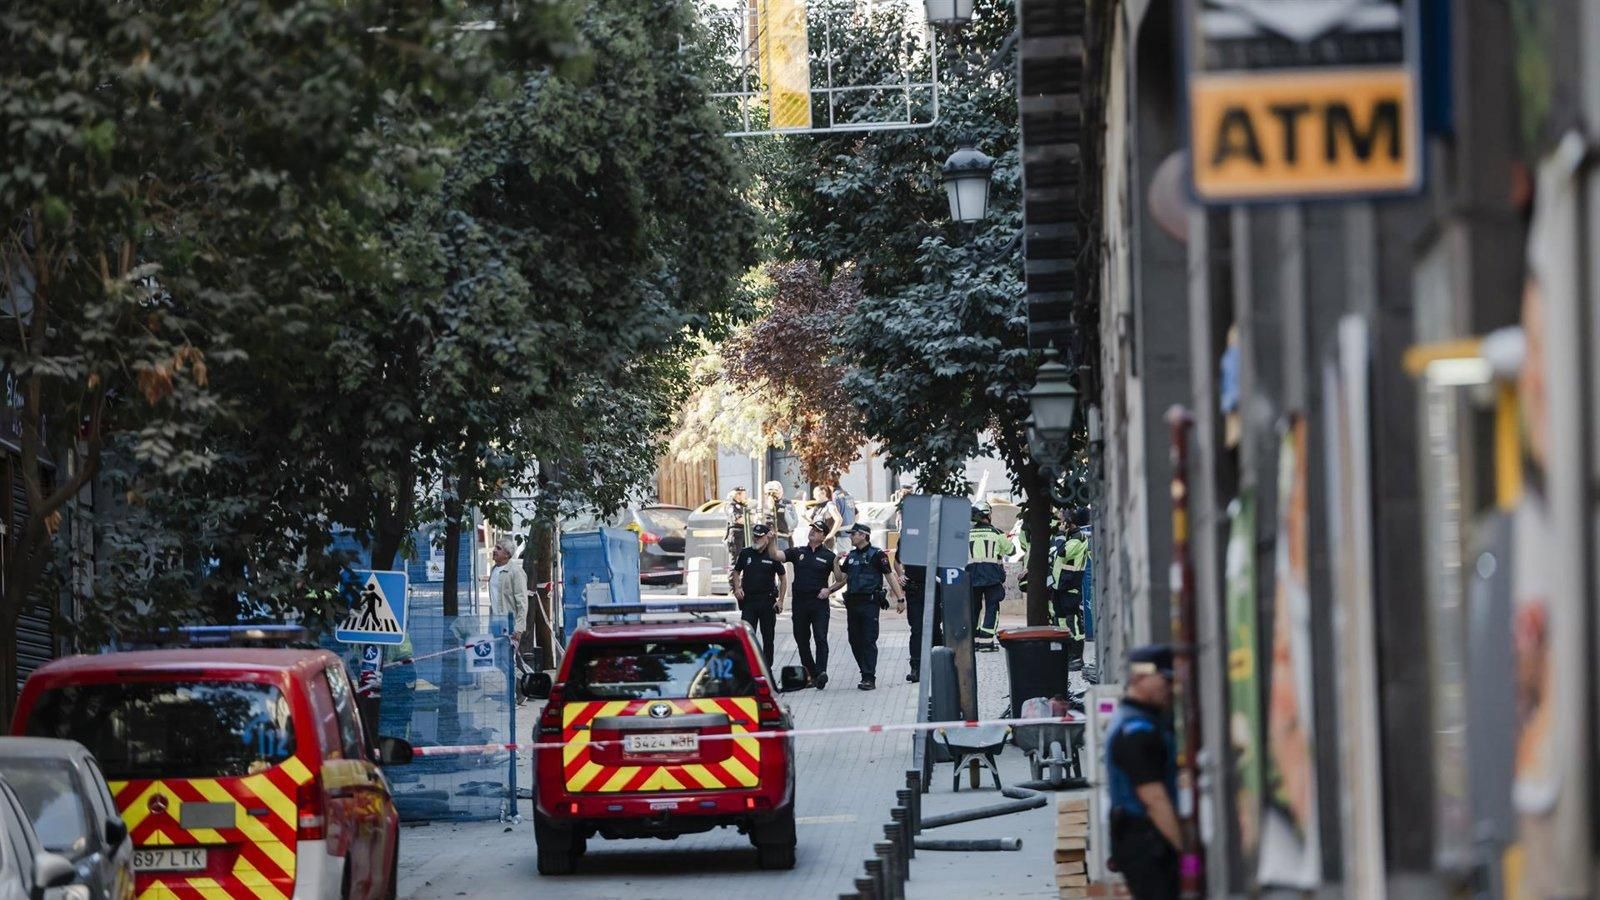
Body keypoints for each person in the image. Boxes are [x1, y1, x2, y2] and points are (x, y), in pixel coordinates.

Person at [1104, 644, 1180, 900]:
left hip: (1143, 842)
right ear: (1140, 677)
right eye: (1165, 680)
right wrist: (1187, 852)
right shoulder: (1136, 730)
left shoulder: (1137, 721)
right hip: (1147, 844)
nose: (1170, 688)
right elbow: (1154, 799)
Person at [828, 523, 904, 690]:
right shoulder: (852, 556)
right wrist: (835, 564)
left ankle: (869, 677)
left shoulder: (877, 555)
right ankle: (864, 670)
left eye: (853, 534)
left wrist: (900, 598)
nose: (851, 537)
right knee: (854, 640)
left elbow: (890, 576)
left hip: (870, 603)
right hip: (853, 603)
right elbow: (842, 578)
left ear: (863, 535)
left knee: (868, 640)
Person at [769, 519, 837, 689]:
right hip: (800, 603)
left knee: (820, 637)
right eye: (812, 529)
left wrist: (829, 590)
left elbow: (842, 579)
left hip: (818, 603)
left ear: (823, 536)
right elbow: (775, 556)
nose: (812, 531)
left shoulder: (829, 556)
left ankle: (821, 672)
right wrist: (771, 541)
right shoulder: (798, 551)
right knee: (801, 640)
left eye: (817, 530)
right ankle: (813, 675)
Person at [732, 524, 786, 670]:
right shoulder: (746, 553)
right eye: (754, 535)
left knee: (768, 638)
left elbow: (783, 578)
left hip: (767, 601)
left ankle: (767, 668)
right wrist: (737, 588)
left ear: (766, 538)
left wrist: (781, 600)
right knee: (747, 636)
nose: (756, 538)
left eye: (759, 536)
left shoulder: (772, 555)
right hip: (749, 602)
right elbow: (736, 572)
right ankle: (747, 667)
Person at [967, 502, 1014, 651]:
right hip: (992, 576)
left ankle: (973, 642)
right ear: (987, 515)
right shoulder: (997, 533)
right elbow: (1011, 551)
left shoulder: (966, 533)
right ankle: (986, 642)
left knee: (974, 609)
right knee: (992, 608)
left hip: (971, 576)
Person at [488, 537, 530, 701]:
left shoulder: (515, 572)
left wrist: (519, 627)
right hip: (497, 622)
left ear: (507, 554)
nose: (494, 550)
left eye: (498, 548)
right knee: (500, 660)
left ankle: (516, 693)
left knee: (508, 659)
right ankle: (520, 686)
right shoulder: (494, 570)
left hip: (510, 622)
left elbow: (522, 601)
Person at [725, 485, 752, 564]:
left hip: (744, 534)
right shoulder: (731, 506)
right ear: (737, 495)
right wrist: (749, 519)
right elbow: (737, 519)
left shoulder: (742, 506)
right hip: (736, 535)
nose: (745, 496)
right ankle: (733, 576)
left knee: (744, 559)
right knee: (735, 560)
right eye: (743, 494)